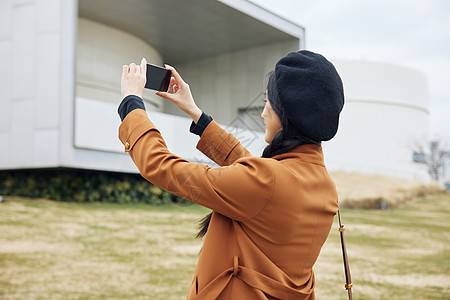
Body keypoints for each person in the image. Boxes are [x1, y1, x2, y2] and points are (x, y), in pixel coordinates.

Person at [117, 50, 344, 299]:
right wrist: (197, 115)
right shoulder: (324, 186)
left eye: (268, 102)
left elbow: (162, 167)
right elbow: (257, 176)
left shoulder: (266, 182)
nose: (262, 112)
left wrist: (131, 104)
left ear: (287, 114)